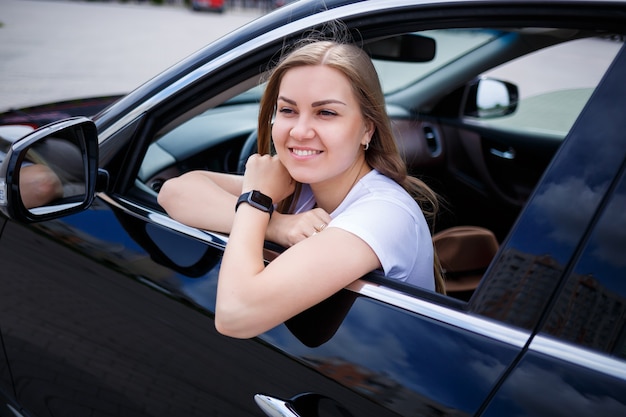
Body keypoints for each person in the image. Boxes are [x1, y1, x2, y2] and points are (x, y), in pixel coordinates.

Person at [158, 39, 444, 339]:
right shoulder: (307, 185)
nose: (300, 131)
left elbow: (234, 315)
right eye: (287, 110)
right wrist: (278, 225)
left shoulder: (384, 215)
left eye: (326, 113)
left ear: (367, 129)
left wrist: (257, 201)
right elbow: (174, 192)